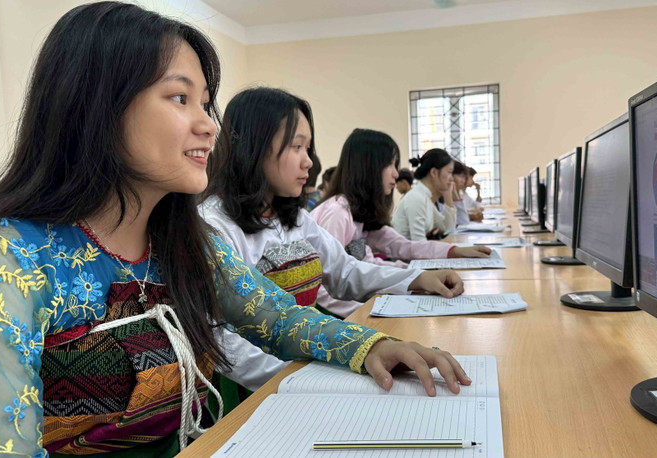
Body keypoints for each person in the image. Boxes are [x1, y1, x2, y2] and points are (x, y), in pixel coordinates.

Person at [0, 4, 470, 456]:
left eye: (205, 103)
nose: (209, 125)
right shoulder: (11, 258)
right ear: (95, 106)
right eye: (179, 97)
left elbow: (278, 319)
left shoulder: (183, 242)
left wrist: (371, 348)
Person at [199, 87, 468, 384]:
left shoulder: (295, 218)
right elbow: (224, 341)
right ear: (254, 147)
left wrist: (415, 279)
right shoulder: (216, 226)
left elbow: (344, 271)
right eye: (296, 147)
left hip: (310, 359)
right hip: (261, 384)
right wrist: (312, 376)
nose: (309, 162)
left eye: (308, 148)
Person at [310, 128, 491, 312]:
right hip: (329, 314)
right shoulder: (337, 214)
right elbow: (322, 288)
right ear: (368, 166)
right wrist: (367, 311)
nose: (396, 174)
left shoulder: (360, 213)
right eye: (390, 165)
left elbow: (398, 249)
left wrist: (447, 257)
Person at [392, 149, 458, 240]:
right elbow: (419, 244)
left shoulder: (425, 197)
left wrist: (448, 195)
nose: (451, 178)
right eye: (449, 172)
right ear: (434, 172)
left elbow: (448, 228)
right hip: (401, 254)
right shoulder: (416, 198)